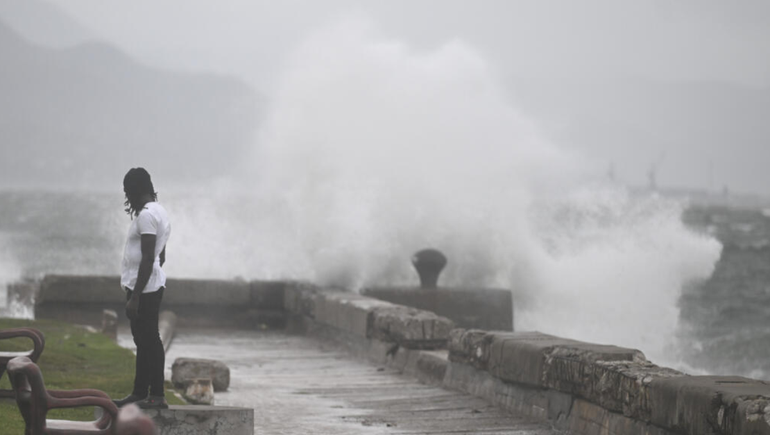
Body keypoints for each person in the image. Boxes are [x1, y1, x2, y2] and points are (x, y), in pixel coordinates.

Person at [113, 168, 171, 409]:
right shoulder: (160, 211)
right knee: (144, 339)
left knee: (149, 339)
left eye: (128, 192)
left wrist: (135, 296)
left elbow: (148, 257)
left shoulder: (146, 215)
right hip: (150, 284)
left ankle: (156, 394)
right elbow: (161, 254)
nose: (127, 198)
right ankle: (140, 392)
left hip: (144, 288)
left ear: (136, 191)